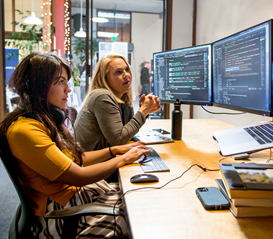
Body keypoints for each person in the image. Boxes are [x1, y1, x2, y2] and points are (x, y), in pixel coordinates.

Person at [0, 53, 152, 238]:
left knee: (141, 196)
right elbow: (78, 176)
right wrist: (124, 158)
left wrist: (114, 150)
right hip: (58, 215)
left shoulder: (44, 120)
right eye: (60, 82)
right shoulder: (25, 130)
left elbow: (77, 159)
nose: (69, 89)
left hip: (73, 197)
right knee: (138, 216)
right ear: (38, 86)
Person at [74, 54, 161, 151]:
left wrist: (144, 110)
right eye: (119, 72)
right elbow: (119, 140)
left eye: (127, 70)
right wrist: (143, 111)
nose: (126, 75)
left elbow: (128, 134)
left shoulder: (122, 97)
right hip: (93, 163)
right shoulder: (102, 96)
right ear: (105, 78)